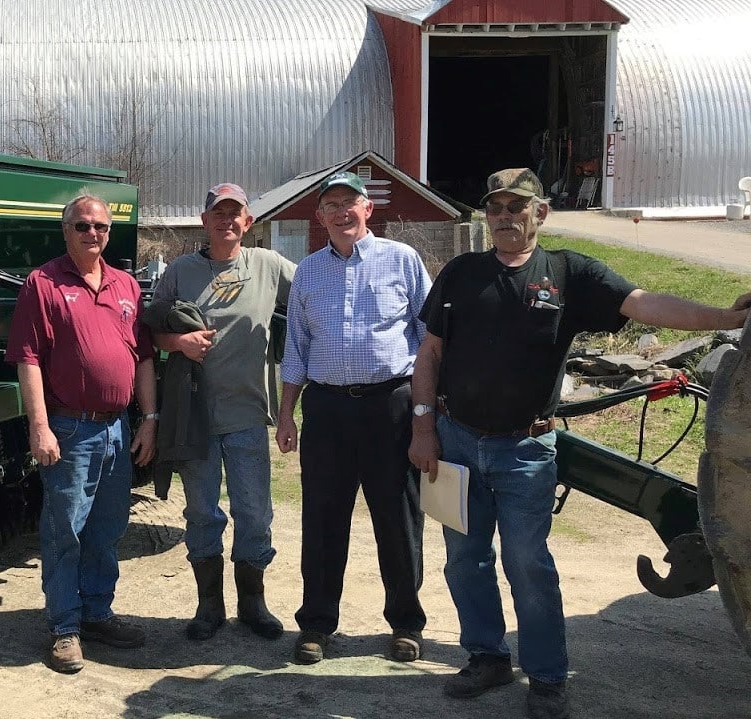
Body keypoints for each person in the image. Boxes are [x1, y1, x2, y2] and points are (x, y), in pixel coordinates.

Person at [407, 168, 751, 719]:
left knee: (528, 563)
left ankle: (545, 676)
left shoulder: (569, 273)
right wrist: (423, 429)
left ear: (540, 213)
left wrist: (727, 318)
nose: (504, 216)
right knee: (465, 560)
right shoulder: (460, 273)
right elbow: (429, 354)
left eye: (516, 207)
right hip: (455, 443)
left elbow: (645, 304)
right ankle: (487, 657)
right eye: (495, 207)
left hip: (526, 450)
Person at [275, 171, 432, 665]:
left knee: (397, 517)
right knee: (322, 518)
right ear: (319, 217)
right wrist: (286, 414)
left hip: (391, 406)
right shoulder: (308, 271)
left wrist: (429, 412)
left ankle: (406, 623)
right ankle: (317, 624)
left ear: (367, 209)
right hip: (326, 409)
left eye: (350, 203)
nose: (341, 212)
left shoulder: (402, 260)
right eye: (330, 206)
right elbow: (296, 349)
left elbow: (430, 337)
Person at [5, 194, 159, 674]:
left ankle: (97, 613)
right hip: (69, 429)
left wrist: (149, 419)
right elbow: (27, 359)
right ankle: (64, 627)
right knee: (64, 529)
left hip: (117, 428)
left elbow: (144, 359)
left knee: (108, 528)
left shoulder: (126, 285)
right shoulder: (44, 283)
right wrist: (39, 427)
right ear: (65, 231)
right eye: (82, 226)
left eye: (101, 227)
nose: (93, 234)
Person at [148, 182, 296, 641]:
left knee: (255, 513)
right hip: (196, 416)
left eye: (236, 214)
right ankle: (209, 606)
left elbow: (317, 295)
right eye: (219, 213)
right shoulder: (179, 272)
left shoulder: (269, 266)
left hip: (249, 415)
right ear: (204, 220)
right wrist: (177, 342)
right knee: (202, 513)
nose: (227, 221)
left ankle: (253, 603)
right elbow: (149, 330)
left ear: (248, 222)